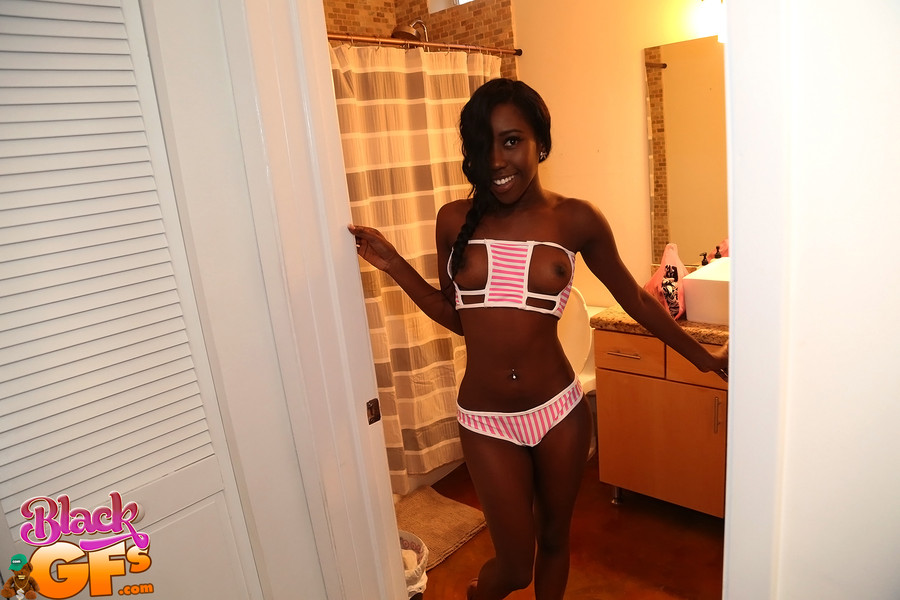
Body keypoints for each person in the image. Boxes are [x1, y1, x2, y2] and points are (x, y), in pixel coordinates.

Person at [348, 78, 728, 600]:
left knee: (553, 540)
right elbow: (457, 317)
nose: (496, 160)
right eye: (483, 145)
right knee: (513, 567)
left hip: (558, 412)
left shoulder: (575, 219)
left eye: (511, 141)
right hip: (486, 420)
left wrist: (702, 358)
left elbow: (637, 303)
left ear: (540, 144)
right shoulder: (454, 220)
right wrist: (394, 265)